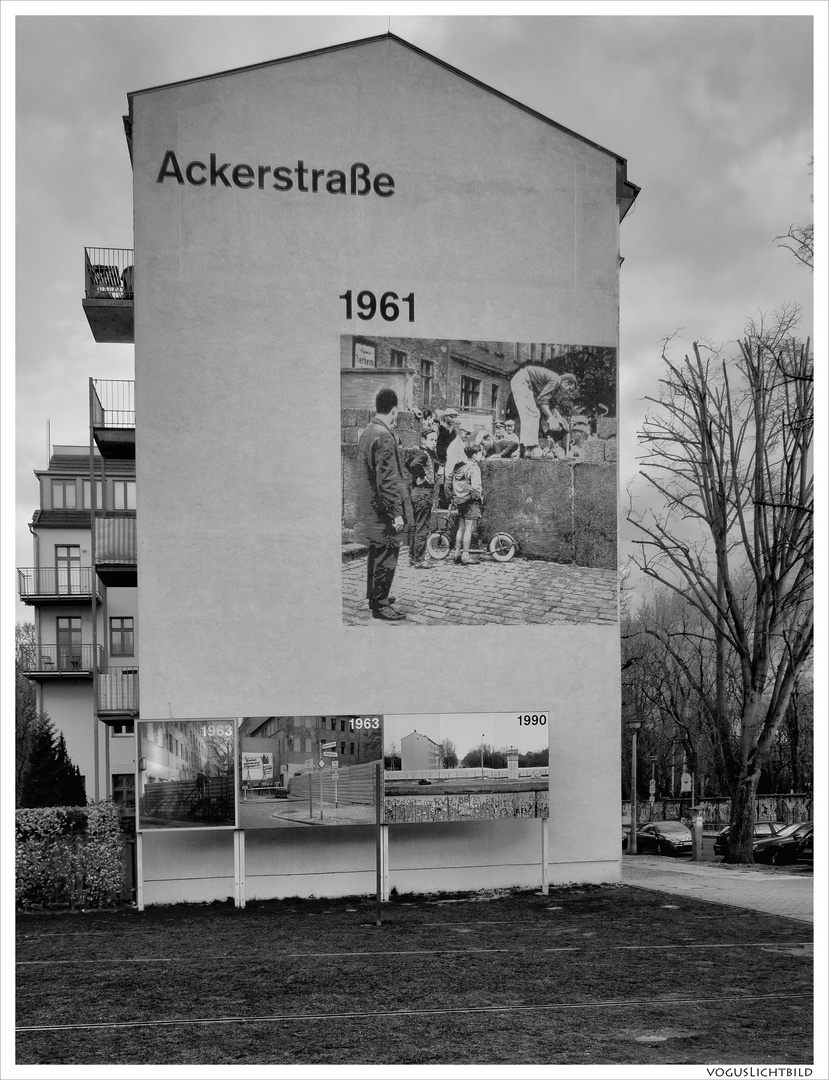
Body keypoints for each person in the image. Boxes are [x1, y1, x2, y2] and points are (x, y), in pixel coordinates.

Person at [355, 388, 411, 621]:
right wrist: (396, 513)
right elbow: (387, 480)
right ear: (394, 409)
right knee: (387, 555)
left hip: (371, 507)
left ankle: (375, 596)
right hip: (383, 510)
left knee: (377, 554)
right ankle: (380, 603)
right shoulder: (385, 436)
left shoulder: (368, 431)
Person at [508, 365, 579, 457]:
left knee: (529, 415)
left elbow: (544, 403)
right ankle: (532, 447)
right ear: (565, 383)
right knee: (533, 413)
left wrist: (553, 416)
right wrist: (551, 418)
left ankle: (524, 449)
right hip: (523, 380)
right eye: (570, 390)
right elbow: (542, 402)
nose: (568, 393)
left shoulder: (554, 384)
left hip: (522, 380)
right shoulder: (555, 381)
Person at [406, 427, 439, 569]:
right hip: (424, 494)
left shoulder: (421, 452)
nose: (434, 442)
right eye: (431, 440)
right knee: (422, 527)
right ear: (424, 440)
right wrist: (420, 476)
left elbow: (407, 462)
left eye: (436, 440)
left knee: (415, 527)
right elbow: (412, 464)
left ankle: (413, 558)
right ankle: (419, 560)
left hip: (417, 493)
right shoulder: (424, 454)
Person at [451, 443, 484, 565]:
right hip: (470, 501)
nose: (481, 456)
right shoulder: (474, 468)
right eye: (480, 453)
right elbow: (475, 487)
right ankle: (465, 555)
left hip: (460, 500)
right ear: (475, 455)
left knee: (461, 527)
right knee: (469, 528)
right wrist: (479, 497)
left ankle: (457, 553)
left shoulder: (461, 466)